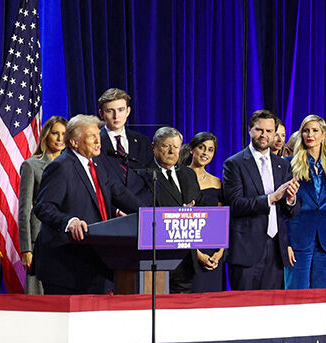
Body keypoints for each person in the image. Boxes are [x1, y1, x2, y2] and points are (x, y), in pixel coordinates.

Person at [32, 114, 143, 294]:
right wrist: (70, 222)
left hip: (94, 258)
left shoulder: (98, 164)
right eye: (92, 136)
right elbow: (44, 207)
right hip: (65, 263)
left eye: (98, 136)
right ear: (75, 142)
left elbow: (118, 193)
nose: (98, 141)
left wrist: (149, 214)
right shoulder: (61, 166)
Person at [222, 109, 296, 291]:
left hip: (276, 251)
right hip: (246, 251)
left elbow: (291, 212)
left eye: (269, 131)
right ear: (250, 130)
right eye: (259, 130)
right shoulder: (234, 164)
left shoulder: (283, 165)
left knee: (272, 310)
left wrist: (291, 200)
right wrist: (271, 198)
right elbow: (236, 204)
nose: (264, 135)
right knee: (245, 309)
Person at [285, 115, 326, 290]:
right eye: (305, 130)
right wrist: (286, 243)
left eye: (314, 130)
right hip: (299, 240)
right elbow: (283, 209)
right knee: (297, 297)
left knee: (321, 297)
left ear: (323, 135)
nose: (310, 134)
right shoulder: (289, 165)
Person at [147, 127, 202, 295]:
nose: (171, 151)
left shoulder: (188, 174)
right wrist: (177, 212)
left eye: (176, 147)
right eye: (166, 146)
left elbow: (199, 203)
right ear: (154, 147)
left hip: (186, 257)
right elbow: (144, 208)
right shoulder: (144, 174)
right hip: (158, 255)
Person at [16, 115, 67, 296]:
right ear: (46, 136)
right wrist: (26, 249)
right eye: (55, 133)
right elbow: (24, 210)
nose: (60, 138)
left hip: (66, 239)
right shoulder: (32, 165)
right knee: (38, 296)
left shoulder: (71, 166)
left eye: (64, 134)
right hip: (39, 239)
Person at [178, 131, 226, 292]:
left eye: (210, 149)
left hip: (213, 252)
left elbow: (221, 220)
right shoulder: (179, 177)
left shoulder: (216, 181)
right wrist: (197, 254)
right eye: (201, 147)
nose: (206, 153)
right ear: (192, 149)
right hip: (188, 251)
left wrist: (220, 251)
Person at [96, 87, 153, 179]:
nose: (116, 116)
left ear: (128, 111)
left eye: (121, 110)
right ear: (101, 114)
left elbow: (150, 176)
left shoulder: (142, 141)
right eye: (110, 111)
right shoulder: (96, 141)